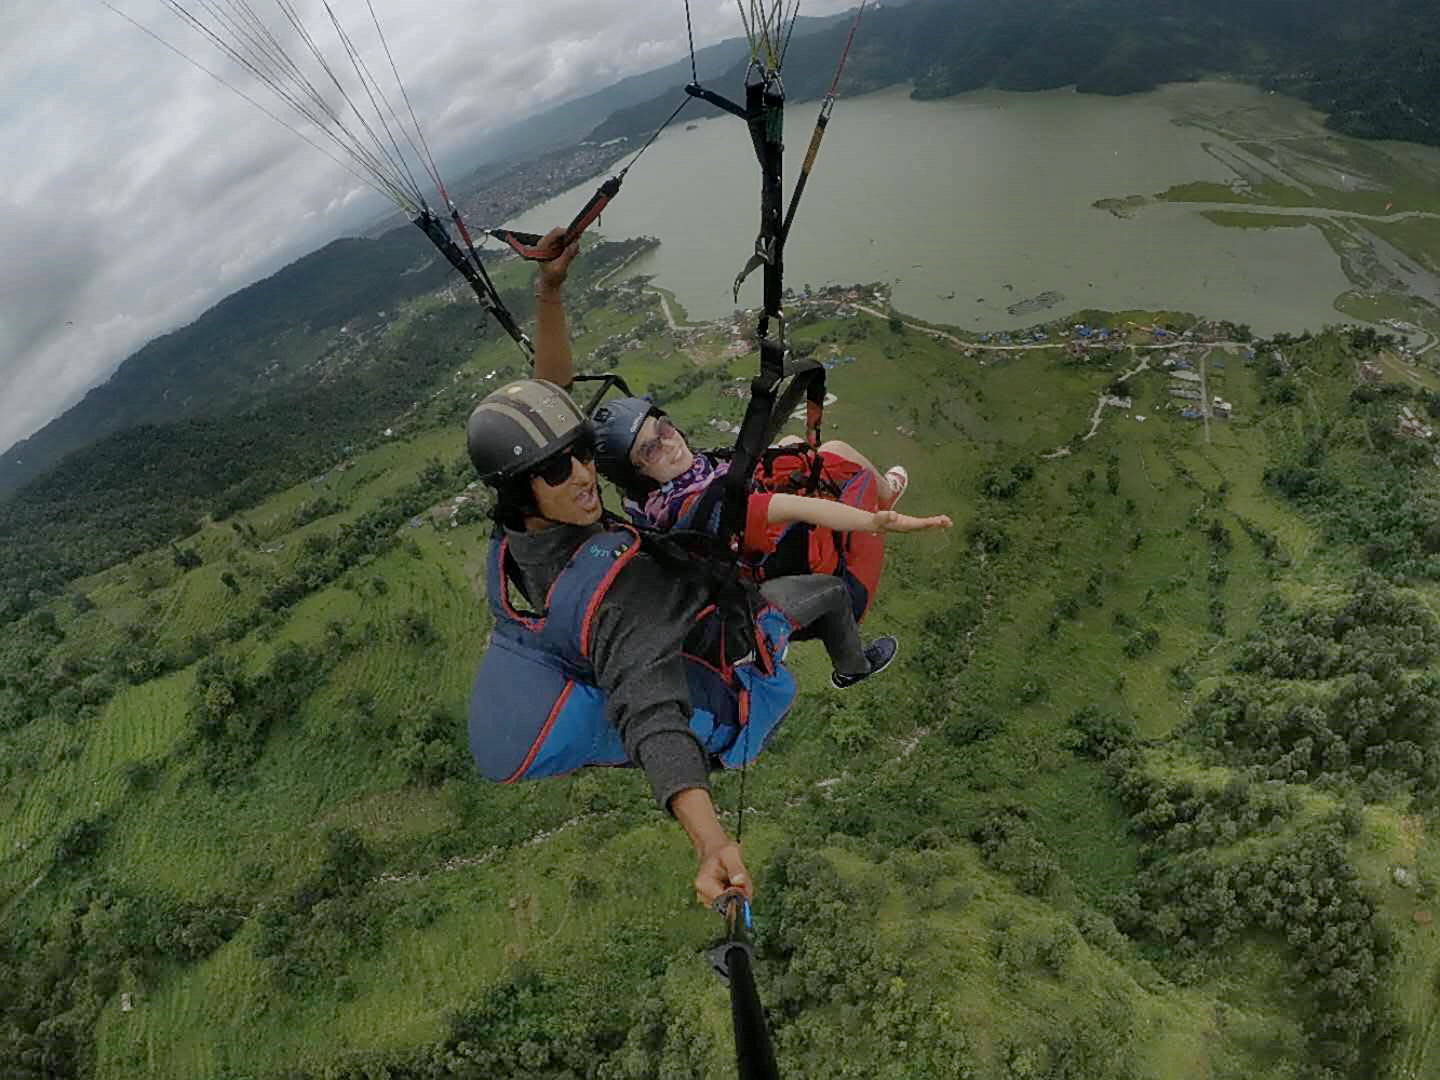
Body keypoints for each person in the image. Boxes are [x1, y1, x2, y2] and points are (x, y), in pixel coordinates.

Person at [465, 377, 898, 909]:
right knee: (829, 591)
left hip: (697, 622)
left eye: (582, 455)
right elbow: (649, 710)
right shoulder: (620, 596)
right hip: (731, 663)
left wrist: (549, 298)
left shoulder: (517, 541)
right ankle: (851, 666)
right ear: (518, 490)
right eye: (558, 470)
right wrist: (710, 842)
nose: (582, 476)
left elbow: (551, 389)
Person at [527, 226, 951, 622]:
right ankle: (886, 496)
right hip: (833, 582)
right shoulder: (711, 504)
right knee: (838, 454)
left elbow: (557, 410)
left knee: (788, 442)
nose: (671, 443)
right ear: (638, 476)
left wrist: (549, 292)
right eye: (651, 450)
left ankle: (875, 497)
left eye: (665, 428)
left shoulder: (651, 507)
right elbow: (796, 508)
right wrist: (877, 522)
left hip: (755, 559)